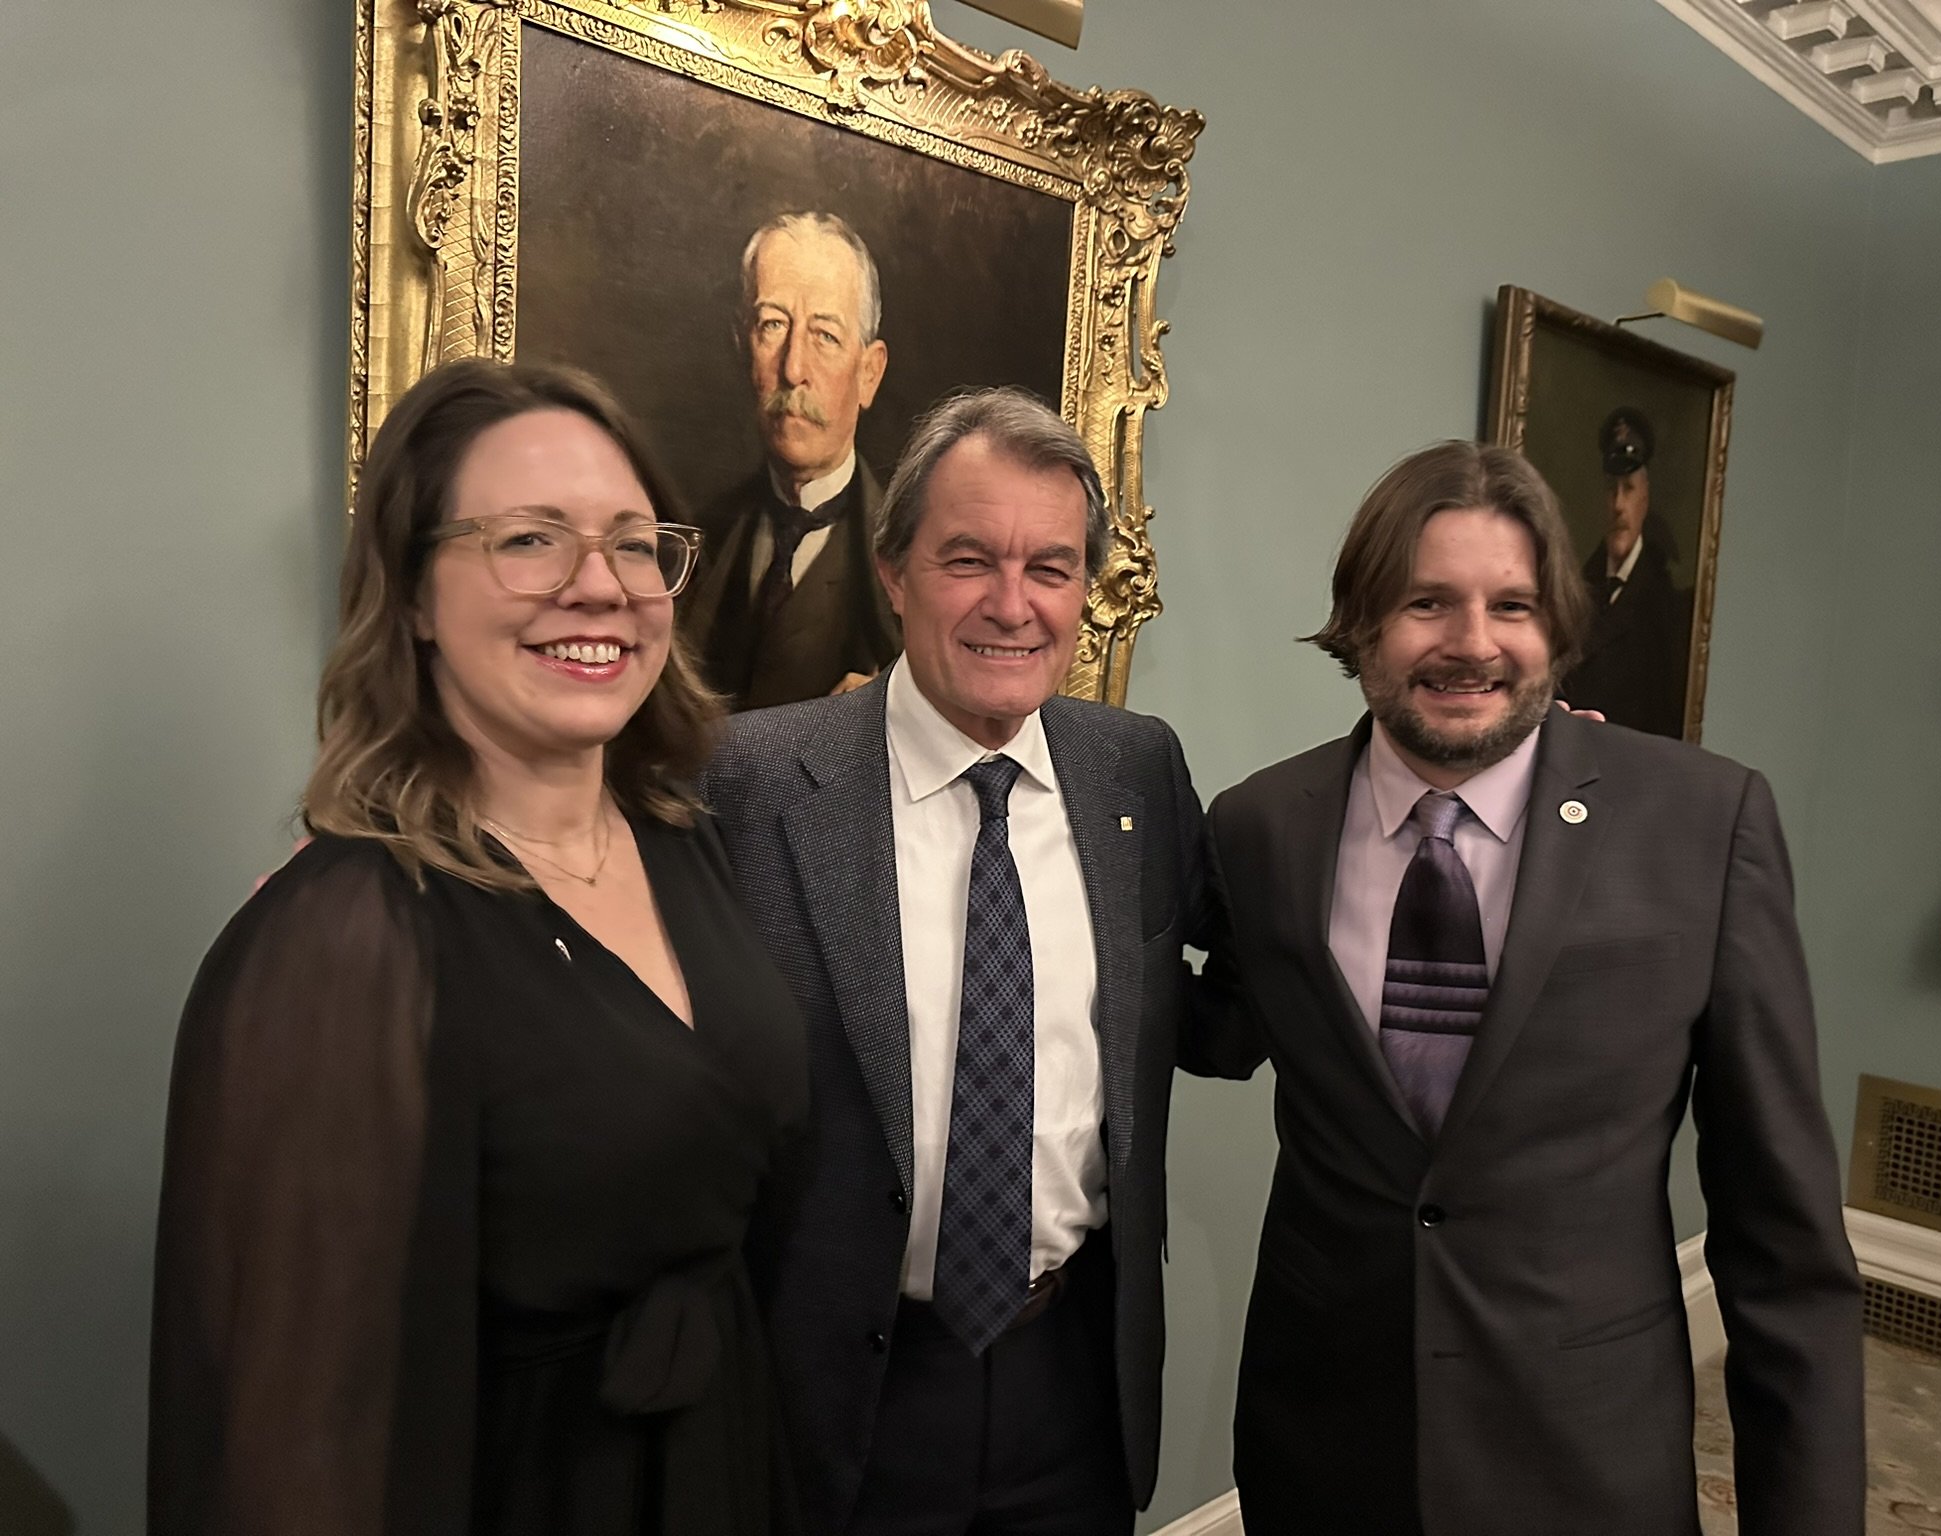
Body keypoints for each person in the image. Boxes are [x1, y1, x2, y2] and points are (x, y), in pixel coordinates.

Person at [149, 359, 808, 1536]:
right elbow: (295, 1436)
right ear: (410, 594)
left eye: (631, 542)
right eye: (528, 542)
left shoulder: (676, 842)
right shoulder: (340, 943)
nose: (598, 587)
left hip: (716, 1463)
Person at [1198, 440, 1864, 1535]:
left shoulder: (1699, 823)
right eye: (1425, 603)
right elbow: (1216, 1023)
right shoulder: (1259, 826)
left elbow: (1782, 1237)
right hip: (1320, 1443)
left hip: (1583, 1454)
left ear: (1554, 626)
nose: (1471, 644)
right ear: (1359, 622)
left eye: (1510, 605)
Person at [704, 387, 1224, 1536]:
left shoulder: (1133, 770)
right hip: (837, 1385)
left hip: (1073, 1373)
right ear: (892, 574)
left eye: (1050, 566)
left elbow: (1229, 990)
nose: (1012, 604)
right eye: (967, 560)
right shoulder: (746, 782)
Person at [682, 211, 902, 711]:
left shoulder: (913, 563)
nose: (793, 368)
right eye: (773, 326)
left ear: (869, 373)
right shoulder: (696, 538)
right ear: (744, 347)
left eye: (825, 335)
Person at [1559, 405, 1692, 736]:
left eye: (1629, 490)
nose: (1618, 505)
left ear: (1645, 499)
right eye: (1611, 489)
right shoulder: (1575, 590)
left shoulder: (1664, 606)